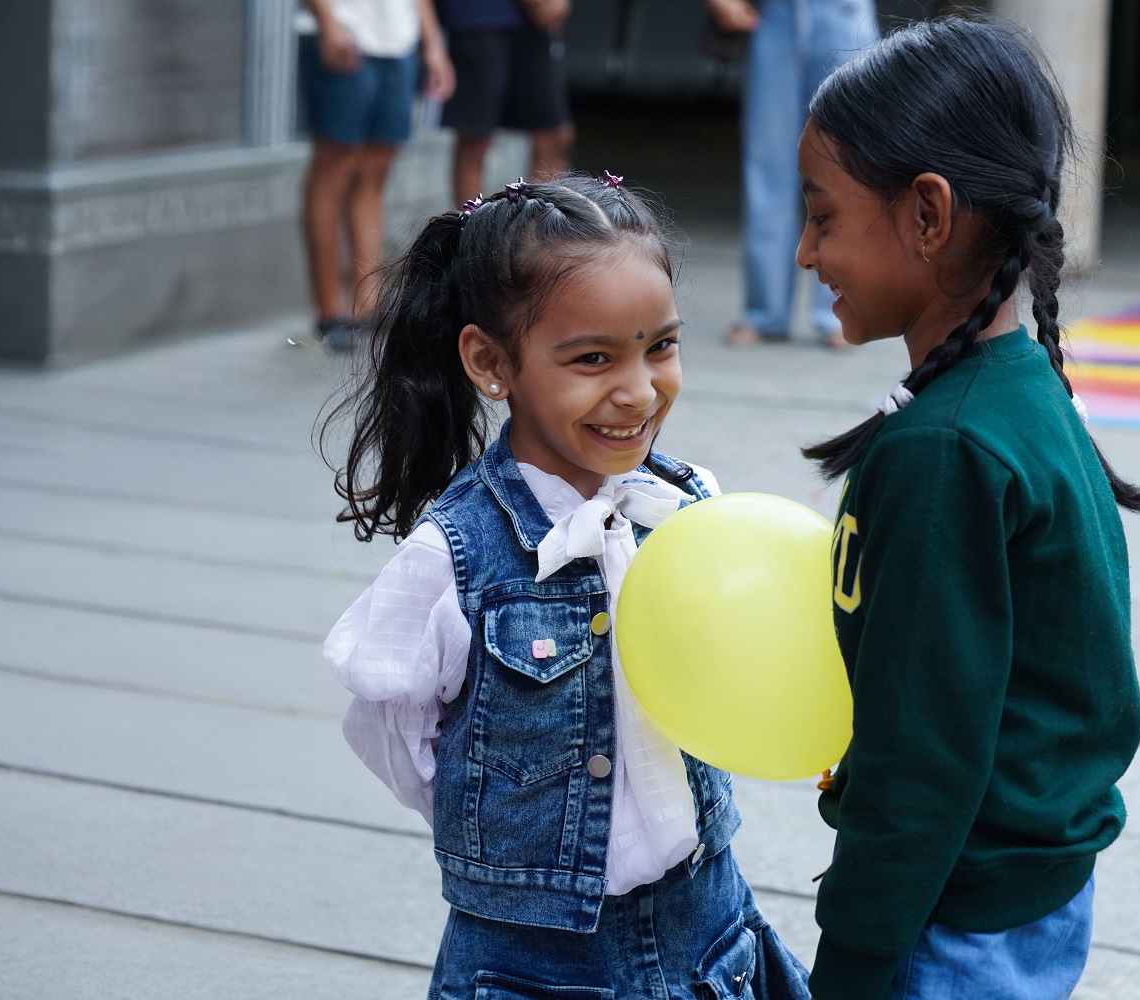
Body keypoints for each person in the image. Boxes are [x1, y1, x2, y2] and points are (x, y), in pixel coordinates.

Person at [320, 174, 811, 999]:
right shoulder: (455, 554)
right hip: (533, 961)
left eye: (661, 346)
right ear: (490, 361)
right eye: (593, 359)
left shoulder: (690, 506)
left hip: (707, 923)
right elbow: (392, 728)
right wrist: (504, 836)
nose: (638, 389)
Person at [791, 18, 1140, 1000]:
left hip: (950, 922)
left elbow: (920, 756)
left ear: (927, 213)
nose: (802, 251)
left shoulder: (944, 450)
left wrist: (856, 957)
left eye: (823, 217)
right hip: (1032, 897)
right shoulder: (1025, 389)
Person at [707, 0, 878, 349]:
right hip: (777, 13)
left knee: (847, 166)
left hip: (845, 12)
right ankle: (763, 312)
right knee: (767, 164)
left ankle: (841, 309)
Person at [298, 0, 456, 351]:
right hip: (344, 30)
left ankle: (365, 304)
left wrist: (433, 45)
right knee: (333, 170)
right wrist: (327, 21)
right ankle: (329, 310)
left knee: (375, 174)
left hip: (399, 44)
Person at [436, 0, 576, 208]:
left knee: (555, 135)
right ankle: (472, 233)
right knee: (476, 137)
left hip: (532, 25)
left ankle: (541, 230)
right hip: (478, 18)